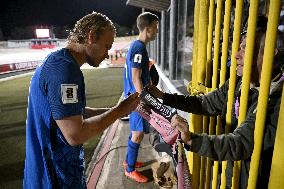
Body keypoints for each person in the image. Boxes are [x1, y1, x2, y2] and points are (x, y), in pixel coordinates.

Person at [147, 18, 284, 189]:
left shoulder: (278, 98)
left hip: (256, 180)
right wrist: (164, 96)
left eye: (246, 48)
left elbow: (241, 142)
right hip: (233, 173)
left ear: (271, 54)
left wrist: (191, 139)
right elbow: (206, 103)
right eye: (239, 47)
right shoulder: (239, 81)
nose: (236, 54)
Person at [24, 12, 140, 189]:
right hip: (53, 179)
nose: (107, 54)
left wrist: (120, 110)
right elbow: (75, 134)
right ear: (92, 36)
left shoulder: (61, 63)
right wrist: (118, 110)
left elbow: (75, 114)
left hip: (57, 176)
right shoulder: (64, 70)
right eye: (106, 46)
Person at [123, 12, 159, 183]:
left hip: (133, 97)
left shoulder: (136, 46)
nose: (157, 31)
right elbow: (135, 76)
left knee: (135, 133)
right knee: (137, 134)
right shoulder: (138, 47)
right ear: (148, 28)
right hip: (137, 99)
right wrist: (143, 100)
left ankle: (128, 161)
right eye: (156, 28)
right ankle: (130, 170)